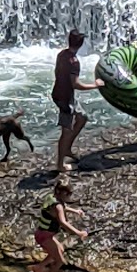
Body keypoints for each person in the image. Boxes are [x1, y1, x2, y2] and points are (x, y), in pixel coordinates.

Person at [53, 29, 103, 171]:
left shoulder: (62, 54)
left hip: (61, 93)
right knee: (66, 131)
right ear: (81, 44)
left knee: (82, 118)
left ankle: (67, 148)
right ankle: (60, 165)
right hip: (65, 98)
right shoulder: (74, 62)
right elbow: (76, 84)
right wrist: (95, 85)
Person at [32, 178, 88, 272]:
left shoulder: (51, 198)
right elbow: (63, 222)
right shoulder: (57, 206)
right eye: (68, 193)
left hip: (42, 233)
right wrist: (78, 233)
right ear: (62, 193)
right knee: (59, 261)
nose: (70, 196)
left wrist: (75, 211)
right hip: (44, 237)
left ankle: (39, 267)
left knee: (60, 249)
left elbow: (62, 208)